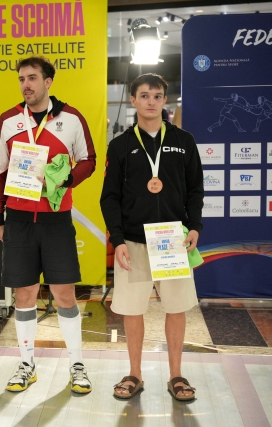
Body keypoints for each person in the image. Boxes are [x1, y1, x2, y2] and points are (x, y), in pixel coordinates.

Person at [0, 56, 96, 393]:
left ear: (48, 82)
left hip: (55, 219)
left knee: (64, 293)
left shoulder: (71, 118)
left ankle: (77, 365)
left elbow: (89, 160)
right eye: (22, 79)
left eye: (32, 78)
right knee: (24, 293)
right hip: (19, 219)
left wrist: (66, 179)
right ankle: (26, 364)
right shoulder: (9, 120)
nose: (26, 85)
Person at [100, 73, 204, 401]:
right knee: (133, 310)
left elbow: (195, 189)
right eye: (144, 95)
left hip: (172, 239)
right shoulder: (120, 145)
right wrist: (118, 240)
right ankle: (135, 373)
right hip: (133, 240)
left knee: (176, 308)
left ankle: (176, 375)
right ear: (133, 100)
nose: (151, 101)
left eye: (157, 96)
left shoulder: (183, 141)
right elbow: (109, 197)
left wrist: (195, 226)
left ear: (164, 101)